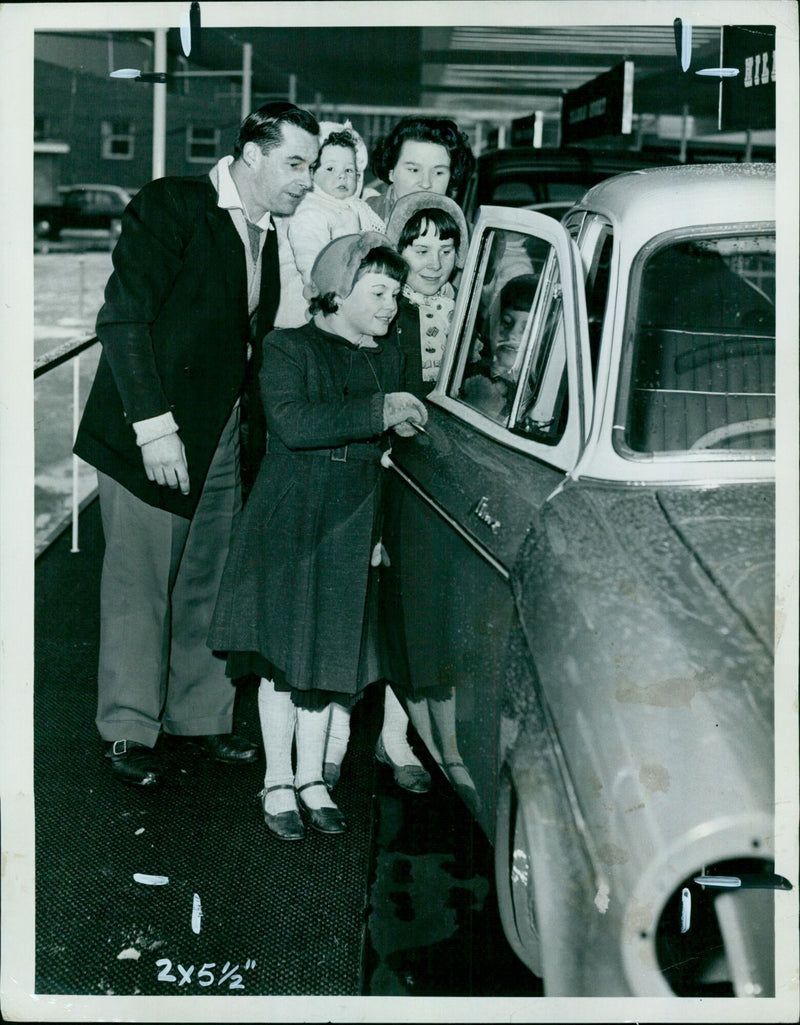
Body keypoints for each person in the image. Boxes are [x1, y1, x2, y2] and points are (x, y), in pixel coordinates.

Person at [73, 102, 321, 786]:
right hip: (152, 435)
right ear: (251, 155)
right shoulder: (174, 205)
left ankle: (199, 717)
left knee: (208, 583)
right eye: (294, 163)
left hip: (217, 439)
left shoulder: (267, 236)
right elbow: (123, 318)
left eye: (312, 166)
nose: (306, 179)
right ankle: (128, 728)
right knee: (139, 585)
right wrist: (153, 427)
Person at [207, 233, 427, 841]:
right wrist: (380, 410)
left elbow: (388, 455)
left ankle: (313, 780)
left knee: (329, 652)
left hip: (355, 519)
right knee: (284, 658)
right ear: (336, 292)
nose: (392, 303)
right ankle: (278, 778)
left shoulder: (383, 356)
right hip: (293, 520)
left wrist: (382, 531)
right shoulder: (287, 347)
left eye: (397, 293)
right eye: (379, 291)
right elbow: (294, 423)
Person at [275, 121, 387, 328]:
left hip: (339, 292)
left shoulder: (353, 207)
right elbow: (310, 257)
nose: (342, 175)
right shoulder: (309, 209)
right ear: (311, 173)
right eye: (330, 168)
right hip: (306, 301)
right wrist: (323, 292)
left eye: (350, 170)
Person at [384, 191, 469, 395]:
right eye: (422, 252)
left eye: (446, 252)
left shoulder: (464, 303)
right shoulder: (385, 309)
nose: (436, 264)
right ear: (398, 253)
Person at [366, 116, 476, 222]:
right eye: (414, 170)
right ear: (391, 172)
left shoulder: (465, 232)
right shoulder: (360, 217)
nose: (426, 184)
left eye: (438, 173)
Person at [462, 273, 538, 419]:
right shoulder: (473, 373)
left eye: (527, 328)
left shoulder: (542, 388)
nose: (512, 335)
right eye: (506, 323)